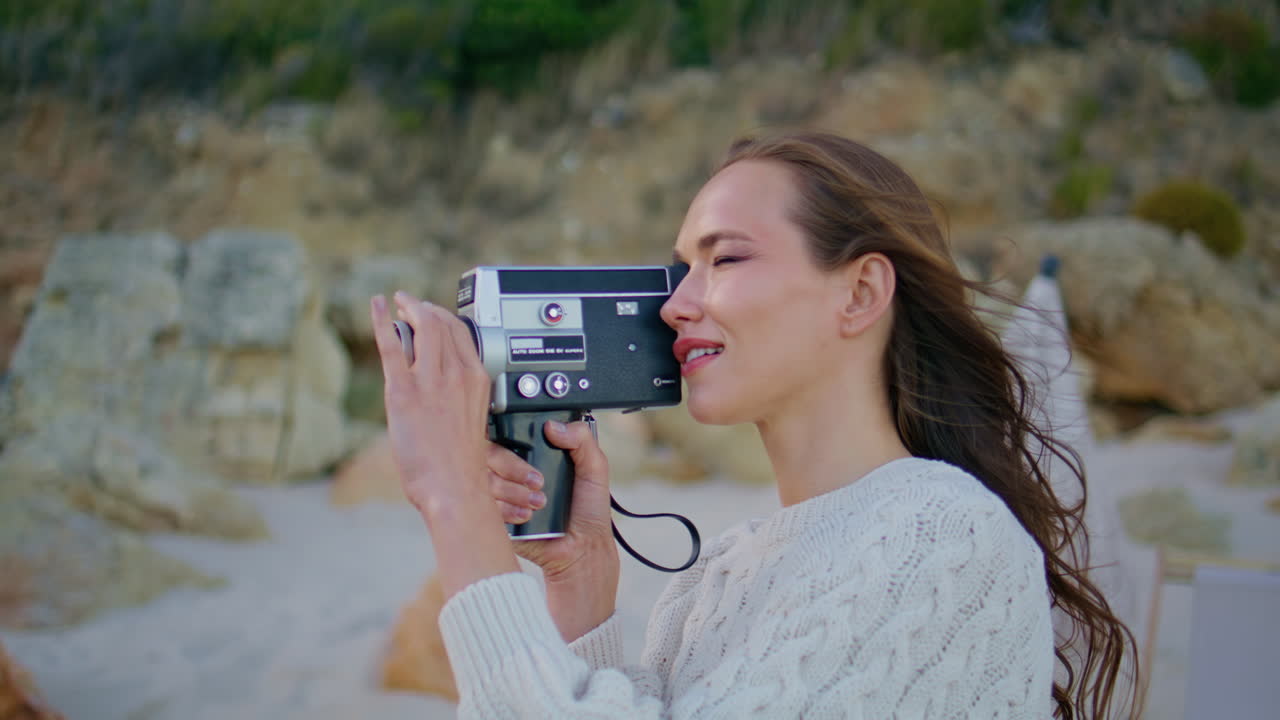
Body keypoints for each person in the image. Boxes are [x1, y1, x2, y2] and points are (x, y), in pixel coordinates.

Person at [370, 131, 1140, 718]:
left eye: (725, 261)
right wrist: (582, 586)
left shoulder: (944, 535)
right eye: (680, 271)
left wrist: (455, 503)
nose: (675, 304)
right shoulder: (725, 571)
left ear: (862, 292)